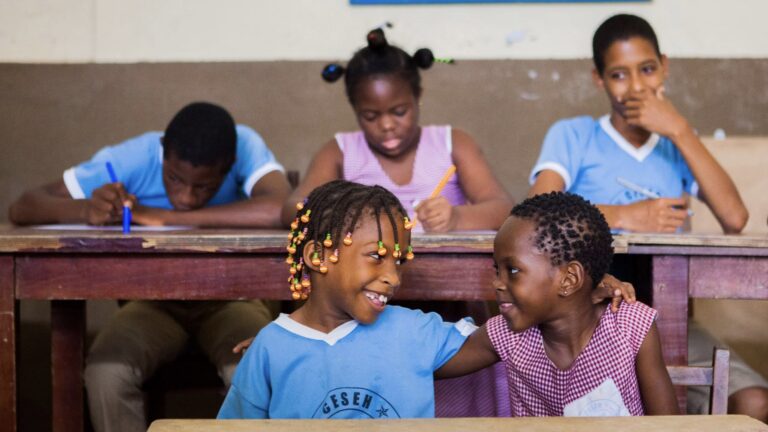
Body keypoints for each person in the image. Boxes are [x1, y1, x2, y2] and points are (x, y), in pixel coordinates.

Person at [219, 181, 633, 419]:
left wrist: (583, 284)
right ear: (317, 257)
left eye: (399, 261)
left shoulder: (411, 331)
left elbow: (507, 329)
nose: (393, 277)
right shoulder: (270, 350)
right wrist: (281, 344)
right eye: (376, 257)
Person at [527, 14, 767, 421]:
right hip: (587, 322)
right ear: (598, 79)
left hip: (669, 323)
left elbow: (734, 217)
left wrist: (680, 130)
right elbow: (537, 213)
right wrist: (625, 215)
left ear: (665, 67)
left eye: (648, 69)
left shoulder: (675, 148)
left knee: (754, 402)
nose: (636, 86)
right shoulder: (574, 136)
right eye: (619, 74)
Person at [9, 101, 292, 432]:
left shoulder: (242, 144)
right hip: (152, 306)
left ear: (229, 166)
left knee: (251, 369)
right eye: (174, 178)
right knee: (106, 374)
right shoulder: (133, 157)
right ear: (163, 153)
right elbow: (23, 206)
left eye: (203, 187)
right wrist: (86, 209)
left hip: (234, 302)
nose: (186, 196)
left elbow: (281, 207)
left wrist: (165, 218)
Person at [436, 192, 679, 416]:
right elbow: (428, 362)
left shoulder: (629, 326)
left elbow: (667, 425)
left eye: (512, 270)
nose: (497, 284)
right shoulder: (507, 333)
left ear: (569, 280)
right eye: (497, 271)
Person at [281, 27, 512, 233]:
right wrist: (349, 216)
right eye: (371, 116)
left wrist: (457, 218)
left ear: (417, 97)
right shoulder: (340, 153)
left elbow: (503, 207)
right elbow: (292, 209)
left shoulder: (453, 144)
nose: (387, 125)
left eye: (399, 112)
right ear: (355, 108)